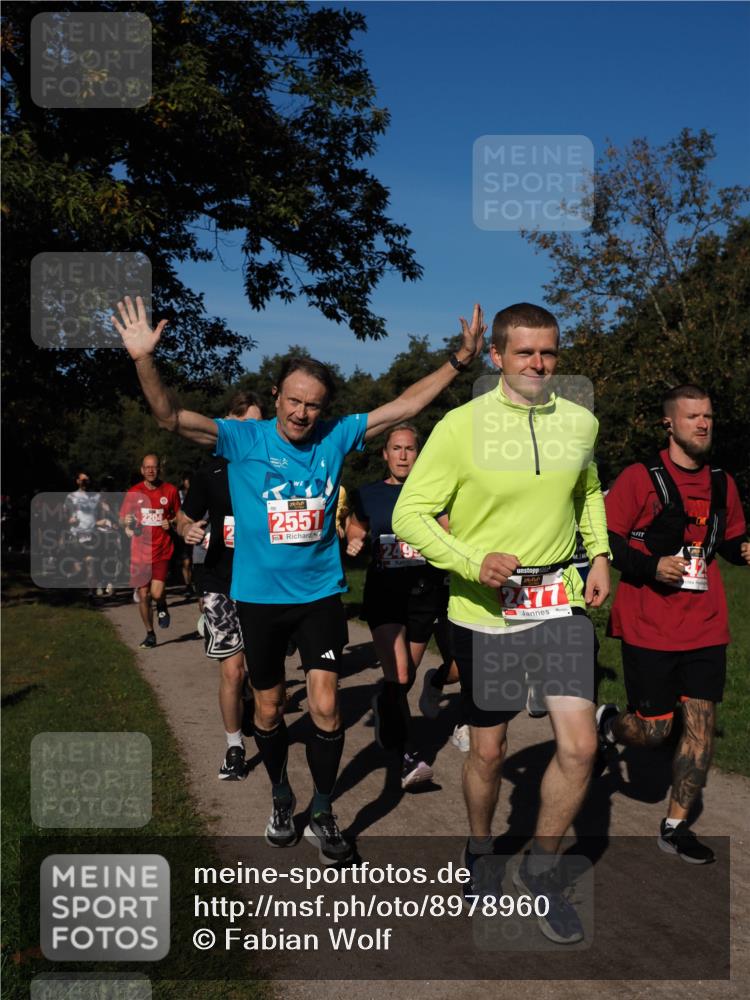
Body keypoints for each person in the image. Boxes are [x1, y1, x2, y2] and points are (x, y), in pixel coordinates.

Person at [113, 293, 486, 865]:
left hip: (319, 597)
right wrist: (143, 359)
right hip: (258, 600)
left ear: (324, 408)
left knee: (327, 707)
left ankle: (323, 810)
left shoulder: (336, 436)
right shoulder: (243, 439)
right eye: (293, 401)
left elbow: (407, 401)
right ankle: (282, 796)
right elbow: (169, 415)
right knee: (265, 711)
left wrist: (459, 361)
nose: (301, 414)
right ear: (276, 398)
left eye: (313, 405)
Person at [393, 301, 610, 944]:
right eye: (524, 353)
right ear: (497, 357)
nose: (538, 364)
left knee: (580, 745)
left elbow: (587, 491)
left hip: (558, 601)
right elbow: (410, 515)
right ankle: (481, 846)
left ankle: (543, 872)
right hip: (485, 613)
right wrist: (470, 559)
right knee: (489, 750)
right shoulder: (461, 428)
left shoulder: (579, 421)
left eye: (548, 352)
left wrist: (598, 553)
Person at [597, 384, 749, 864]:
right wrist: (650, 566)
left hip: (706, 624)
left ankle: (676, 825)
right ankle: (609, 724)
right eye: (692, 417)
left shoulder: (722, 482)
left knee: (702, 725)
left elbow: (730, 539)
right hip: (649, 625)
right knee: (656, 731)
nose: (703, 424)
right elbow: (605, 539)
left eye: (708, 416)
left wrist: (743, 552)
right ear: (669, 424)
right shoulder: (640, 478)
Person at [346, 423, 451, 788]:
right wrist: (355, 540)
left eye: (410, 449)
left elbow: (449, 530)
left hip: (424, 594)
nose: (404, 455)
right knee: (401, 675)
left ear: (418, 454)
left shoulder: (434, 494)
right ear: (385, 454)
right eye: (397, 448)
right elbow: (355, 525)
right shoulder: (369, 494)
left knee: (399, 683)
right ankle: (408, 758)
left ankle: (384, 705)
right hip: (385, 593)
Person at [177, 391, 263, 781]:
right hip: (219, 582)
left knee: (260, 673)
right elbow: (183, 517)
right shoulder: (209, 472)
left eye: (260, 426)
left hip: (265, 584)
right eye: (245, 425)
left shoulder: (275, 468)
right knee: (232, 670)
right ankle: (234, 747)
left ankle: (249, 703)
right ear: (228, 425)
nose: (253, 433)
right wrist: (187, 529)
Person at [119, 454, 181, 648]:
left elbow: (180, 518)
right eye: (147, 467)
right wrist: (127, 523)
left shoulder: (170, 491)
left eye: (154, 467)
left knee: (156, 593)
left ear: (159, 469)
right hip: (139, 551)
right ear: (142, 470)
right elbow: (123, 519)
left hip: (162, 549)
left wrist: (170, 522)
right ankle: (150, 633)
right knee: (143, 594)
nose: (151, 470)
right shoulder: (133, 492)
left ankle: (161, 604)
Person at [63, 471, 101, 595]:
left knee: (91, 562)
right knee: (79, 565)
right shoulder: (71, 497)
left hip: (92, 534)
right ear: (78, 481)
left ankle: (91, 593)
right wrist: (69, 519)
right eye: (83, 480)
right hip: (76, 534)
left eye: (87, 480)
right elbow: (64, 514)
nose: (85, 482)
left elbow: (102, 513)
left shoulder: (96, 496)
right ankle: (71, 578)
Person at [177, 473, 195, 597]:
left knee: (195, 561)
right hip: (184, 532)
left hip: (198, 530)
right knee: (186, 561)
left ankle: (196, 583)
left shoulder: (199, 493)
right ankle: (188, 585)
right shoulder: (179, 495)